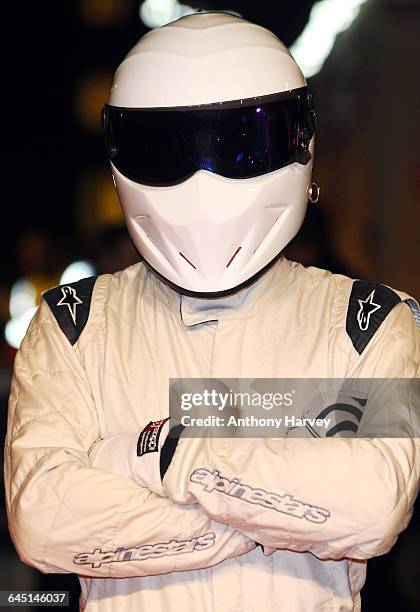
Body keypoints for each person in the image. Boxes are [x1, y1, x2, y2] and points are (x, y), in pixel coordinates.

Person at [4, 12, 420, 612]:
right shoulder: (74, 325)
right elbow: (44, 522)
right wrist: (276, 520)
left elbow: (375, 507)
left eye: (238, 144)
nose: (203, 179)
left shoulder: (370, 322)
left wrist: (158, 454)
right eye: (168, 148)